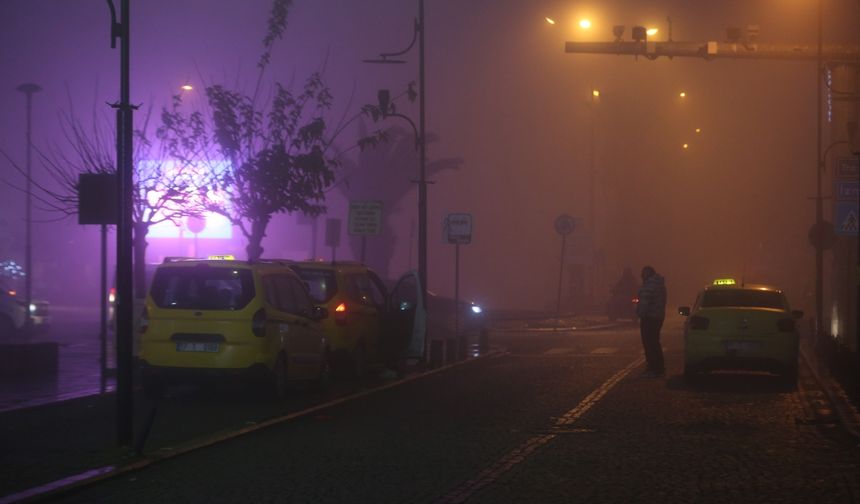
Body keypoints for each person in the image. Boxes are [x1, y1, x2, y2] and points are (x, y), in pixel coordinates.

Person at [637, 266, 666, 377]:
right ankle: (659, 367)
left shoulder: (649, 285)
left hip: (649, 317)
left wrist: (640, 313)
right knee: (655, 342)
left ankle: (653, 368)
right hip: (658, 316)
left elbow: (644, 302)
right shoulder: (660, 284)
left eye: (643, 273)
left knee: (649, 343)